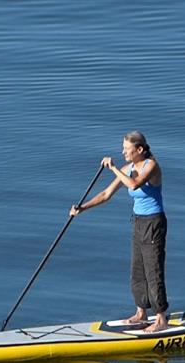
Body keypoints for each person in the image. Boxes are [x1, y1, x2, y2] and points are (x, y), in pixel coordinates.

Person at [70, 130, 169, 333]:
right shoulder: (128, 167)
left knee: (153, 269)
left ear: (139, 149)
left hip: (154, 223)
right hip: (138, 222)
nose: (123, 152)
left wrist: (114, 168)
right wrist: (82, 208)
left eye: (127, 149)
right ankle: (141, 312)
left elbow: (134, 183)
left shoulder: (151, 166)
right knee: (137, 268)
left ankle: (161, 318)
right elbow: (107, 194)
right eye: (123, 148)